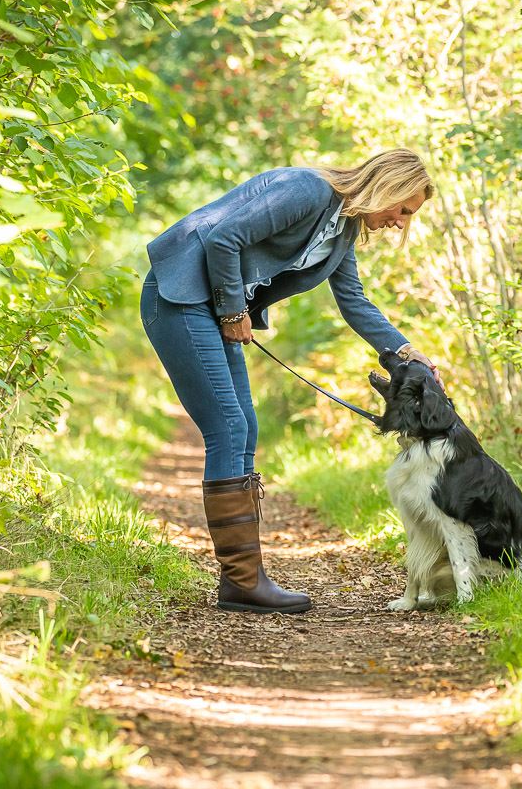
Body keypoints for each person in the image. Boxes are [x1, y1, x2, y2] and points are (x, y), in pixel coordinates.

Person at [140, 148, 441, 614]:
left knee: (246, 428)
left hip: (213, 307)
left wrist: (402, 350)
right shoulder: (306, 189)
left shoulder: (341, 233)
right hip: (179, 296)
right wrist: (234, 309)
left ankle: (243, 579)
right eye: (403, 209)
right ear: (389, 186)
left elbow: (355, 302)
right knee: (228, 428)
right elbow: (223, 239)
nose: (400, 222)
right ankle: (242, 581)